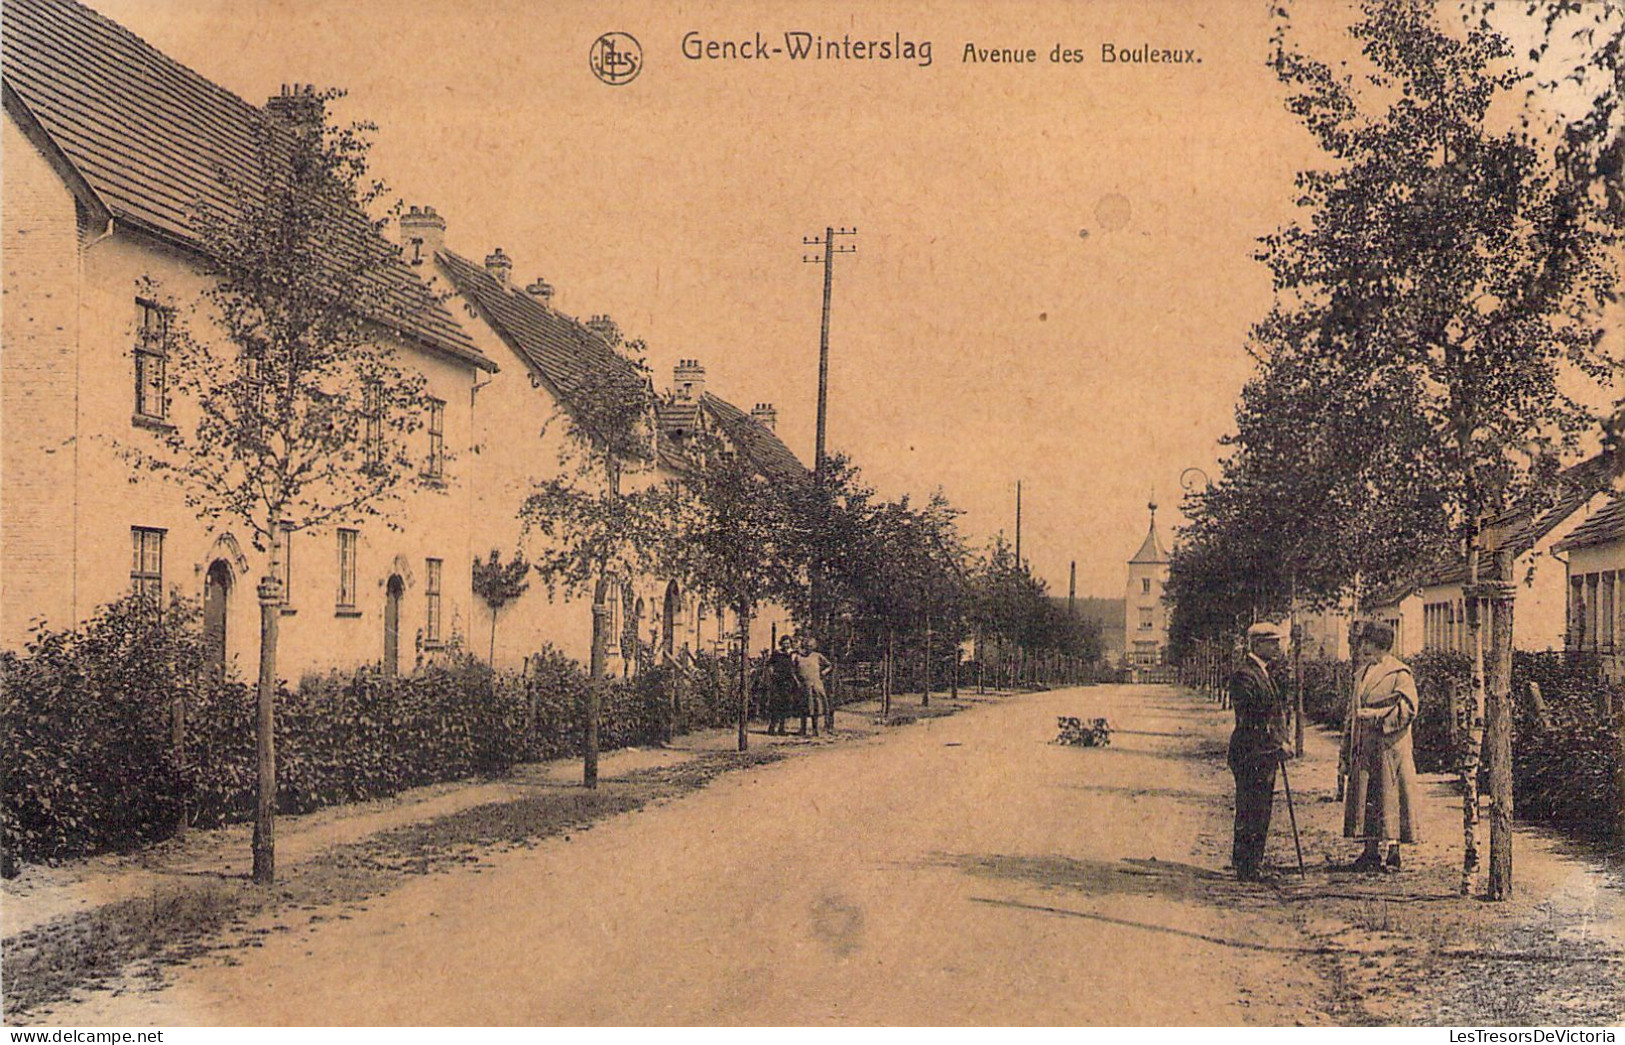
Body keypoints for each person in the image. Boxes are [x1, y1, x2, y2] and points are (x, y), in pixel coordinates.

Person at [1342, 620, 1420, 872]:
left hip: (1390, 747)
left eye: (1367, 643)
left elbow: (1408, 709)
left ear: (1379, 645)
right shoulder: (1361, 673)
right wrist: (1345, 749)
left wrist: (1376, 717)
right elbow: (1350, 714)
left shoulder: (1399, 673)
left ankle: (1393, 852)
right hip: (1364, 746)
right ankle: (1370, 851)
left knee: (1391, 796)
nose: (1362, 648)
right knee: (1367, 796)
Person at [1228, 620, 1294, 882]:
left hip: (1261, 753)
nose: (1278, 646)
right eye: (1273, 641)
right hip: (1251, 752)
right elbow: (1253, 719)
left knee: (1260, 807)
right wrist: (1278, 745)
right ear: (1258, 644)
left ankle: (1250, 862)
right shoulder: (1245, 674)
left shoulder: (1263, 672)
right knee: (1252, 807)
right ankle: (1247, 866)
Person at [794, 635, 833, 737]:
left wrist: (823, 672)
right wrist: (797, 681)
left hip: (815, 685)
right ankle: (803, 729)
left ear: (814, 647)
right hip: (804, 686)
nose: (808, 648)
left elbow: (829, 665)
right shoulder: (798, 657)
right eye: (806, 646)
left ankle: (815, 730)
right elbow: (793, 671)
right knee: (804, 708)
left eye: (811, 646)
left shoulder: (817, 656)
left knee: (815, 707)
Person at [765, 636, 800, 736]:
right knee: (775, 704)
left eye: (788, 643)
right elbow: (769, 665)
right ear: (781, 643)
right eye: (784, 643)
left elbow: (795, 666)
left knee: (786, 704)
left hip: (788, 682)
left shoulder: (792, 654)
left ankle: (781, 728)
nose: (786, 645)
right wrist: (772, 674)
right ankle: (772, 727)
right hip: (777, 681)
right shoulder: (776, 653)